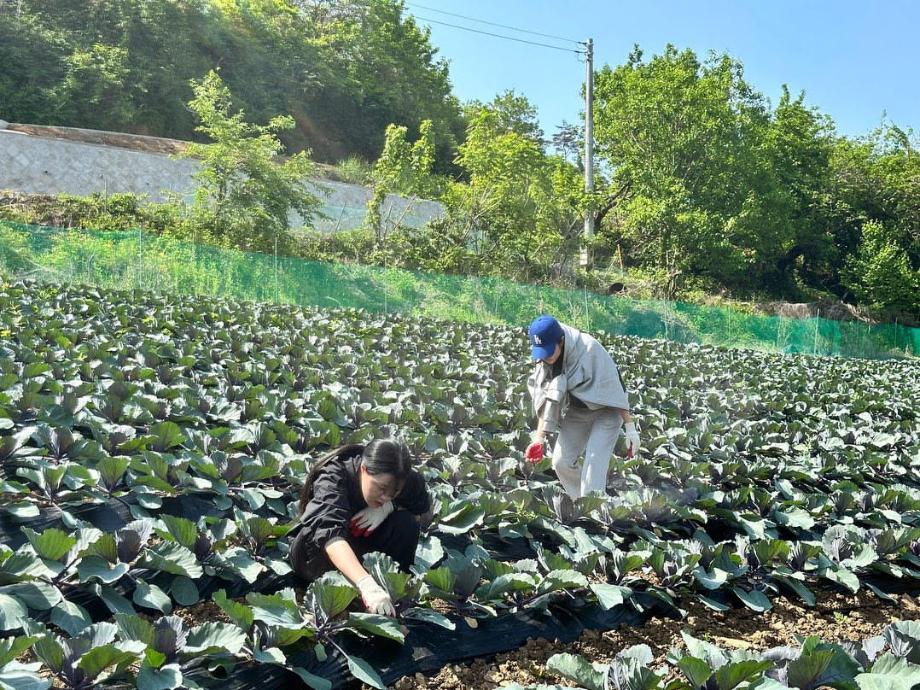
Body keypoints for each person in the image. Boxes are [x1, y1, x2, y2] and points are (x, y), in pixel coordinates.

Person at [289, 439, 432, 616]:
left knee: (407, 523)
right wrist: (366, 584)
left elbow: (423, 508)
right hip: (317, 555)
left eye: (394, 492)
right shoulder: (334, 474)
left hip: (362, 546)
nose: (385, 497)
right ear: (364, 469)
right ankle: (347, 600)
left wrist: (390, 507)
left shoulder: (399, 475)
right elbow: (329, 535)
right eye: (381, 489)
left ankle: (392, 600)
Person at [524, 315, 640, 499]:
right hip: (579, 409)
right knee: (560, 462)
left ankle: (595, 507)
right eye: (541, 352)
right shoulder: (544, 360)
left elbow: (615, 388)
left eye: (549, 351)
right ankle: (587, 505)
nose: (545, 356)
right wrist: (539, 438)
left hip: (608, 410)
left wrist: (630, 427)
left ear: (561, 341)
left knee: (593, 469)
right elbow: (546, 400)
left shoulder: (589, 350)